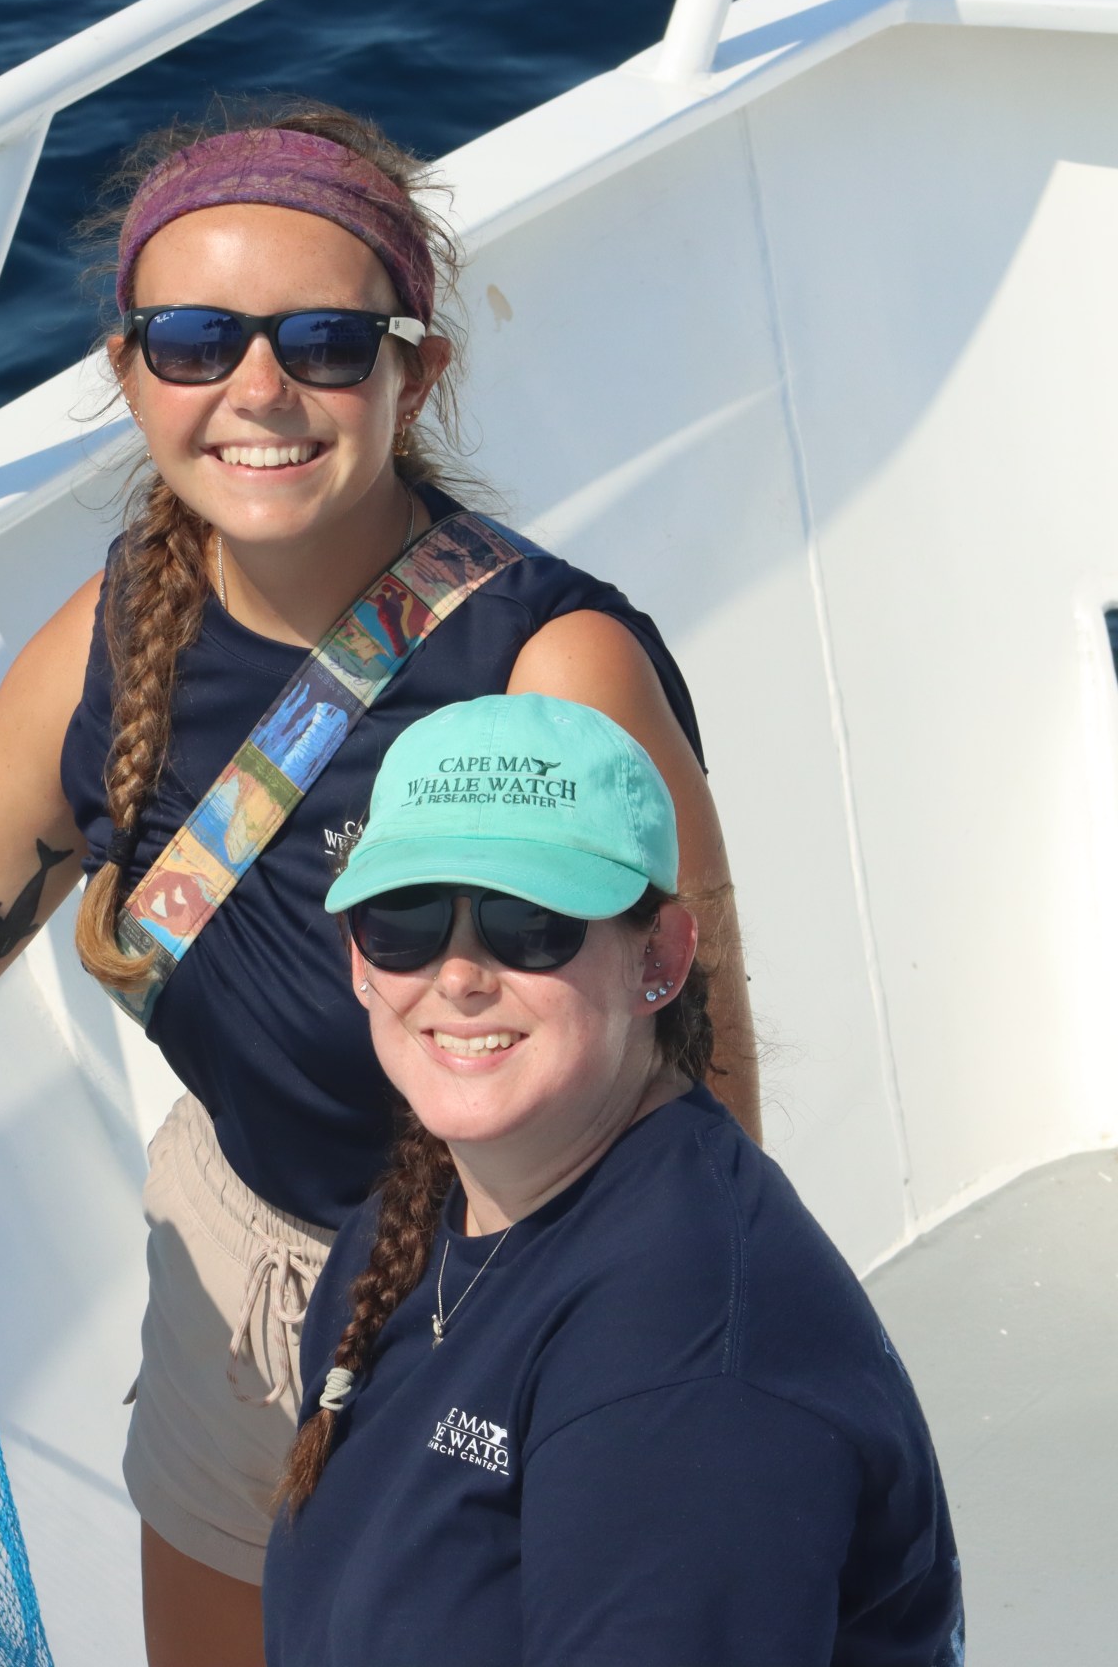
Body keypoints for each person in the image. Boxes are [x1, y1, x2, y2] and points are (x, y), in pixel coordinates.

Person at [0, 103, 760, 1665]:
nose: (256, 390)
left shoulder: (553, 668)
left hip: (508, 1308)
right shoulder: (101, 643)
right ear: (131, 370)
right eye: (196, 339)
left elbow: (707, 1064)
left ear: (419, 370)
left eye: (328, 342)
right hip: (236, 1269)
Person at [266, 692, 960, 1666]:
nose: (460, 975)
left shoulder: (690, 1369)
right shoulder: (407, 1225)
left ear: (661, 957)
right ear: (358, 959)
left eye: (529, 920)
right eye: (407, 918)